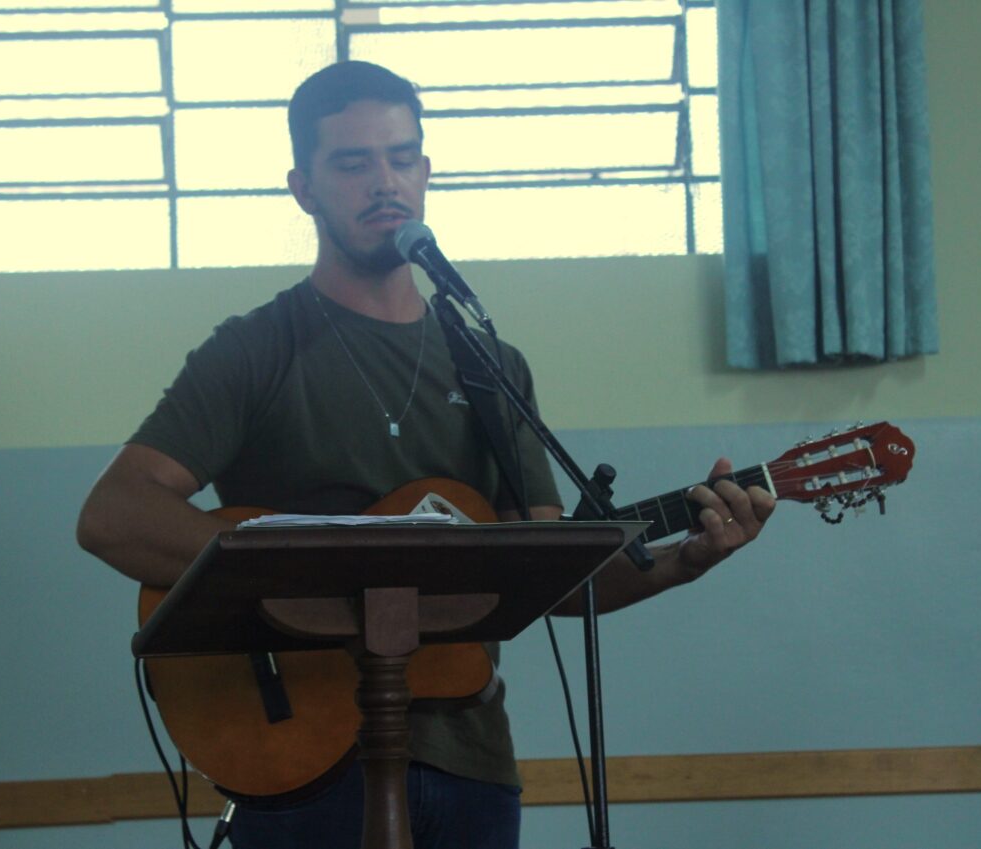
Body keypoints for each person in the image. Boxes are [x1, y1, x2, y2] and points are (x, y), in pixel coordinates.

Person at [76, 60, 775, 849]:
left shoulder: (490, 366)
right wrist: (314, 572)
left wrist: (684, 560)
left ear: (426, 172)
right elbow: (113, 515)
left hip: (471, 765)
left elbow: (546, 571)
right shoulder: (255, 349)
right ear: (304, 188)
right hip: (302, 763)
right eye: (353, 163)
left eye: (402, 158)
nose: (385, 181)